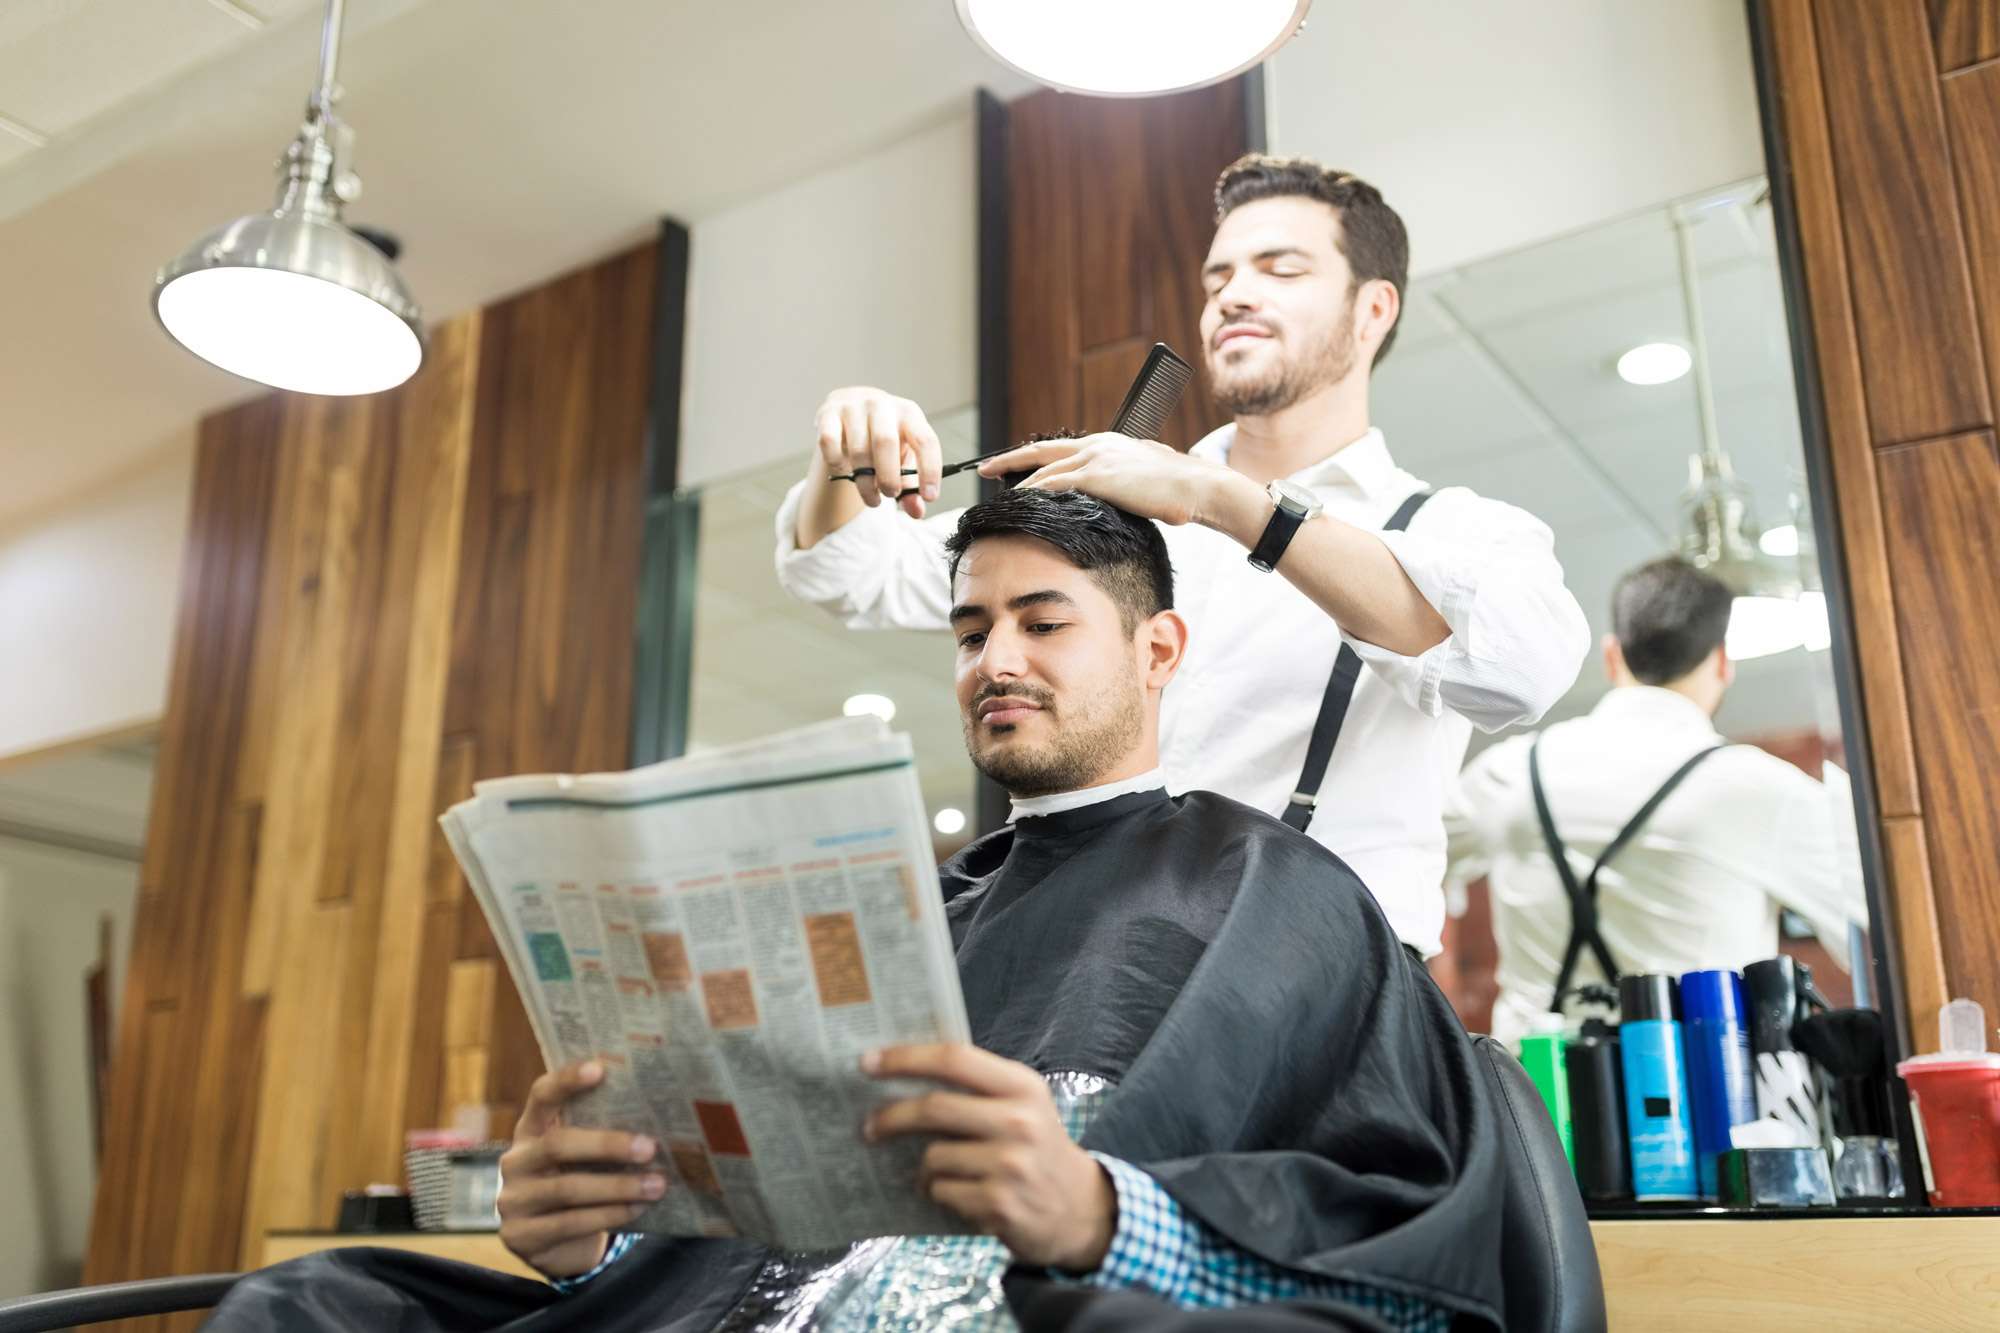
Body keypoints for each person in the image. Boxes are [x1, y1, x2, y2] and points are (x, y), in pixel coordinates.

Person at [208, 488, 1508, 1332]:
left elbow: (1406, 1258)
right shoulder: (904, 909)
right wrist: (590, 1242)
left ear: (1158, 651)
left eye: (1043, 623)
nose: (994, 660)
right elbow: (752, 1238)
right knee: (311, 1301)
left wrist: (1097, 1215)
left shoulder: (1277, 892)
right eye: (968, 630)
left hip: (1033, 1311)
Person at [775, 154, 1590, 958]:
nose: (1234, 293)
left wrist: (1225, 501)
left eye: (1281, 269)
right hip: (1103, 972)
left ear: (1372, 309)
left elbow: (1522, 670)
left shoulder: (1453, 529)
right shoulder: (1116, 511)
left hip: (1331, 998)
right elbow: (846, 569)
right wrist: (841, 452)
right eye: (1217, 278)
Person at [1443, 556, 1866, 1046]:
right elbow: (1877, 937)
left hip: (1530, 1105)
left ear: (1611, 655)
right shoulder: (1761, 787)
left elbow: (1403, 868)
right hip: (1709, 1096)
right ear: (1723, 663)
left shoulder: (1511, 771)